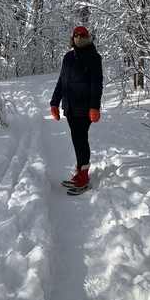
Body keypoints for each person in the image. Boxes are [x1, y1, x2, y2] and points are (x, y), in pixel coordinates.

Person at [50, 25, 103, 195]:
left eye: (81, 35)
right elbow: (61, 81)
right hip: (70, 106)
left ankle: (84, 177)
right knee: (76, 138)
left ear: (87, 37)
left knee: (80, 139)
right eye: (75, 35)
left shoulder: (92, 57)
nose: (78, 37)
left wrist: (94, 107)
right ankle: (79, 172)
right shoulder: (68, 57)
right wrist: (54, 102)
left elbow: (96, 83)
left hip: (84, 106)